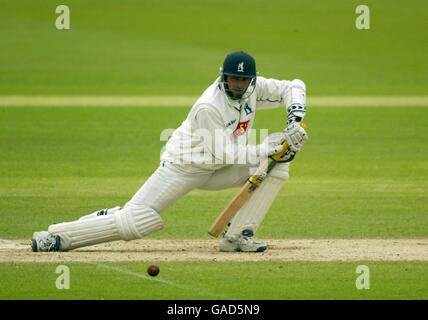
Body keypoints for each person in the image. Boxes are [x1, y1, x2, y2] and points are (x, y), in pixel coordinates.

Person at [31, 51, 308, 253]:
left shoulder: (253, 88)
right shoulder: (209, 107)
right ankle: (59, 237)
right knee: (137, 221)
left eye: (242, 80)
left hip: (216, 169)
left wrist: (293, 122)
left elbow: (293, 86)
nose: (237, 85)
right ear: (222, 76)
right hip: (183, 167)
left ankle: (237, 237)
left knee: (278, 166)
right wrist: (268, 146)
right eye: (232, 79)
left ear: (251, 80)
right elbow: (226, 154)